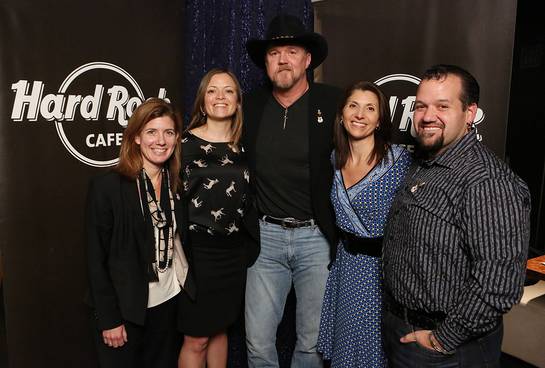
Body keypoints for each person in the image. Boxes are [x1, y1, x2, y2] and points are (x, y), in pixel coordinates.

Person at [382, 64, 531, 367]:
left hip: (450, 349)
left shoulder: (487, 181)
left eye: (442, 106)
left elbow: (498, 285)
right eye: (421, 106)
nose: (427, 116)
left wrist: (441, 340)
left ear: (470, 112)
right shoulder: (423, 161)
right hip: (404, 330)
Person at [243, 14, 340, 367]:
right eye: (274, 53)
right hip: (265, 239)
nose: (283, 59)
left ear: (307, 59)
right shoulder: (249, 106)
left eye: (292, 50)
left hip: (315, 238)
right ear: (266, 62)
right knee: (256, 342)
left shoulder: (334, 103)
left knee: (311, 345)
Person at [86, 98, 194, 368]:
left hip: (169, 304)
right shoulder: (108, 187)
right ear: (135, 137)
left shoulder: (177, 185)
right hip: (126, 310)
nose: (161, 140)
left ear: (177, 138)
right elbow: (94, 259)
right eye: (151, 132)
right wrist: (109, 318)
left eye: (168, 132)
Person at [317, 82, 411, 367]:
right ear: (342, 114)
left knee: (373, 351)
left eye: (370, 108)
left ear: (380, 119)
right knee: (345, 349)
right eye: (353, 106)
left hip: (381, 274)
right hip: (345, 268)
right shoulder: (334, 159)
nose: (360, 114)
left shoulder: (400, 162)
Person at [178, 68, 258, 368]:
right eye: (212, 90)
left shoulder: (245, 147)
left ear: (238, 102)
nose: (220, 97)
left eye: (228, 91)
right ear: (202, 101)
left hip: (233, 254)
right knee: (196, 339)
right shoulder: (182, 145)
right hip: (196, 254)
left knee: (220, 329)